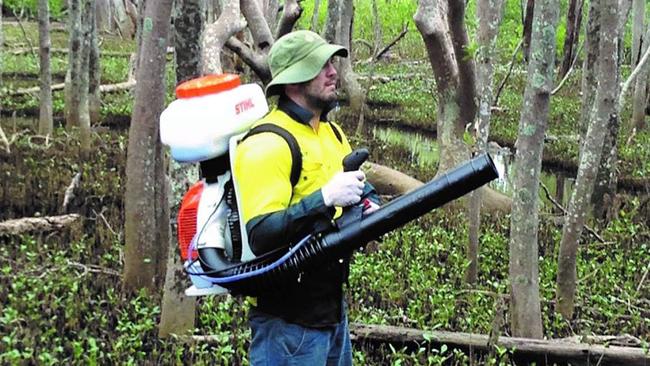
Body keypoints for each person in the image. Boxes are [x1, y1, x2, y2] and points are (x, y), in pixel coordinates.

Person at [233, 30, 380, 365]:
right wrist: (325, 197)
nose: (333, 72)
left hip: (331, 312)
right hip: (287, 326)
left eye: (332, 63)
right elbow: (262, 234)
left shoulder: (330, 131)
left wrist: (370, 203)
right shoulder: (267, 144)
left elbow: (357, 187)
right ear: (293, 80)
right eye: (320, 65)